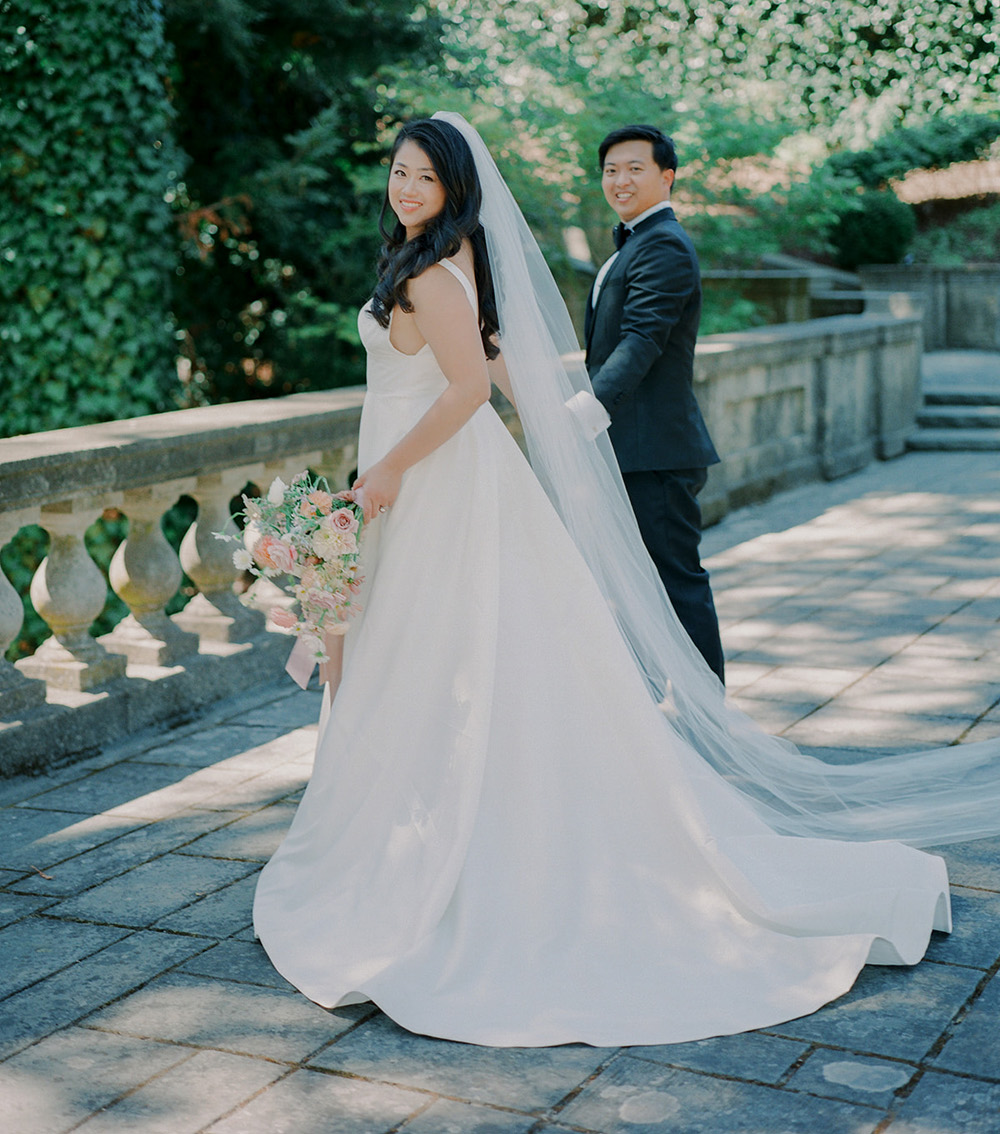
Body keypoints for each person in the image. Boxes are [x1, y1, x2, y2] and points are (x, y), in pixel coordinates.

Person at [254, 112, 1000, 1049]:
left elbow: (465, 389)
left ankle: (477, 844)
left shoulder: (441, 270)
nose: (406, 190)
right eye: (398, 174)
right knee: (433, 651)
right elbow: (490, 362)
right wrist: (545, 429)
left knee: (458, 643)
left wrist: (389, 474)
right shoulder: (431, 262)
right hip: (429, 475)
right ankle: (415, 821)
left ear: (453, 191)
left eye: (424, 179)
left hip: (432, 477)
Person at [586, 124, 724, 682]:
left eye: (634, 168)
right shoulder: (634, 241)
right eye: (611, 170)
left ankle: (708, 729)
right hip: (632, 448)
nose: (620, 180)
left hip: (655, 451)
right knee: (639, 589)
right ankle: (661, 718)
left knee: (677, 584)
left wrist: (582, 411)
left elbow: (642, 339)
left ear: (666, 177)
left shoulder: (663, 243)